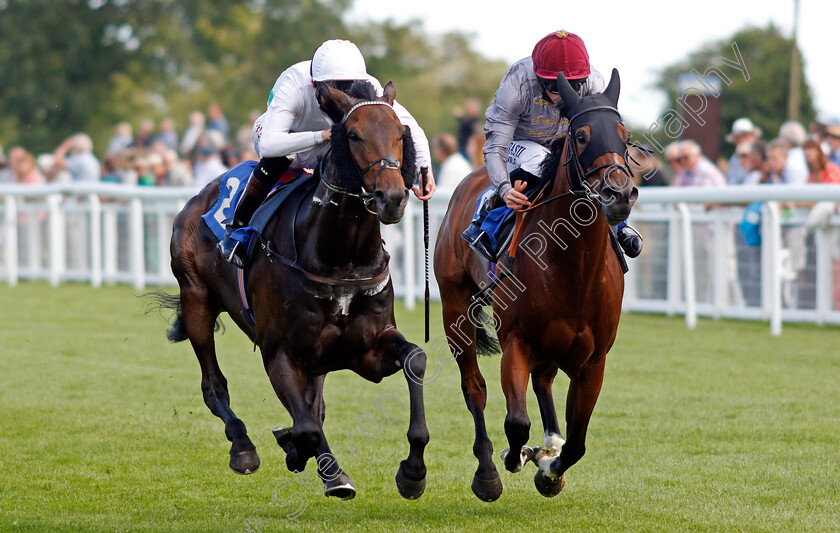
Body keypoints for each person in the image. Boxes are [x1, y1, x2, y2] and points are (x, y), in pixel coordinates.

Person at [218, 39, 435, 267]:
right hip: (286, 141)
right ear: (315, 86)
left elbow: (407, 126)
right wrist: (320, 136)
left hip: (331, 142)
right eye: (336, 87)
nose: (344, 94)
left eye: (349, 86)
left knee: (358, 149)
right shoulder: (293, 82)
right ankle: (236, 230)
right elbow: (269, 145)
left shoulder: (369, 86)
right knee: (282, 156)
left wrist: (424, 167)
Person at [463, 30, 642, 261]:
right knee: (538, 159)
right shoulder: (517, 84)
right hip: (519, 143)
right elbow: (496, 147)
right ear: (540, 80)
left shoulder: (593, 82)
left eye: (576, 85)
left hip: (565, 141)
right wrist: (505, 189)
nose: (566, 95)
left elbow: (603, 136)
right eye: (556, 88)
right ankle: (488, 217)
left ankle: (620, 225)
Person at [724, 117, 762, 185]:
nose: (741, 140)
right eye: (738, 138)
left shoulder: (762, 155)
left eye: (745, 136)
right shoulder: (734, 159)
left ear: (753, 137)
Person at [778, 121, 809, 185]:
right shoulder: (799, 155)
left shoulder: (792, 162)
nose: (779, 140)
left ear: (786, 139)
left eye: (781, 137)